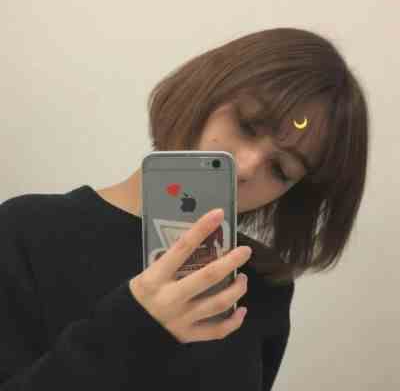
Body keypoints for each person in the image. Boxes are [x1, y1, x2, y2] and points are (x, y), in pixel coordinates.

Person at [0, 27, 369, 390]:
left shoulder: (261, 283)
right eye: (247, 126)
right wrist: (134, 326)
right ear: (206, 91)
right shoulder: (27, 231)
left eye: (280, 170)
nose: (245, 167)